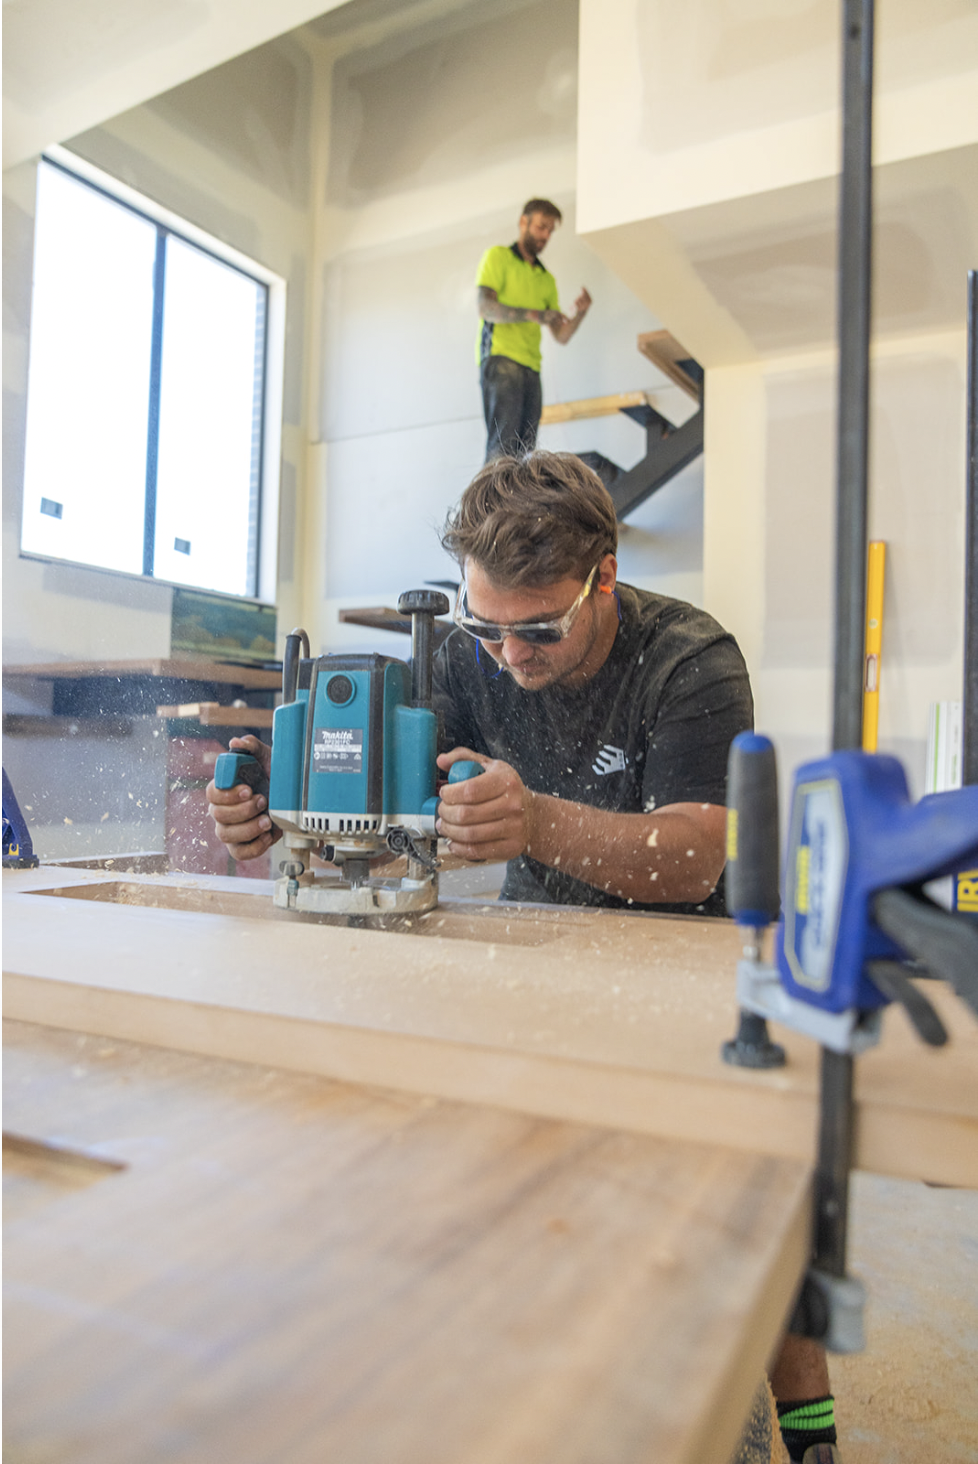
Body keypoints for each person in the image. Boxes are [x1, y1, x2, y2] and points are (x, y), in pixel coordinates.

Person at [205, 451, 839, 1464]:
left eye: (537, 628)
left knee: (746, 1206)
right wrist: (280, 816)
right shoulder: (463, 655)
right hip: (535, 941)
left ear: (606, 579)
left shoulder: (690, 659)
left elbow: (694, 856)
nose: (509, 654)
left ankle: (804, 1428)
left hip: (692, 959)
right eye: (486, 624)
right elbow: (411, 794)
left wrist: (533, 819)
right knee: (540, 1201)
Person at [476, 199, 592, 461]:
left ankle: (520, 503)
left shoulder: (546, 279)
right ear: (523, 222)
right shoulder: (498, 257)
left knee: (525, 452)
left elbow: (561, 335)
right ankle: (490, 503)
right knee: (502, 448)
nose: (545, 236)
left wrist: (581, 313)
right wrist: (537, 315)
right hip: (501, 358)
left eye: (550, 230)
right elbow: (485, 308)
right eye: (541, 227)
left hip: (532, 368)